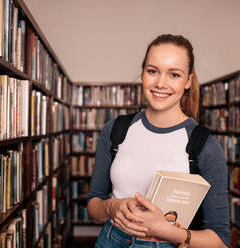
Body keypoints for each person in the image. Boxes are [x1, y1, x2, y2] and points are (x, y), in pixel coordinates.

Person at [87, 34, 230, 248]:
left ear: (188, 81)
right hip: (110, 240)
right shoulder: (116, 129)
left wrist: (170, 232)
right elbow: (93, 207)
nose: (161, 83)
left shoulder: (205, 146)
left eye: (174, 74)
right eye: (152, 71)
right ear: (143, 73)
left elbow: (220, 241)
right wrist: (111, 207)